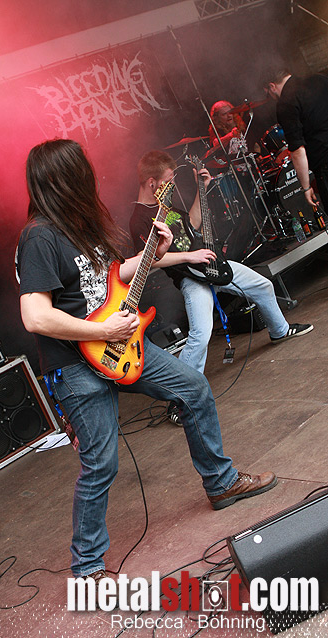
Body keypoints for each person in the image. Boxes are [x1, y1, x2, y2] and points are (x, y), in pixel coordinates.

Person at [17, 138, 277, 581]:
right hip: (77, 364)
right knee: (101, 463)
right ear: (64, 177)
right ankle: (87, 567)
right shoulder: (39, 236)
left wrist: (152, 255)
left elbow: (108, 276)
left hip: (123, 344)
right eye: (83, 170)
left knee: (193, 388)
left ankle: (221, 483)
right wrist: (102, 332)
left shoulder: (81, 225)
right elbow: (35, 316)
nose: (92, 177)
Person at [130, 149, 313, 376]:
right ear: (151, 182)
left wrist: (202, 189)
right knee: (201, 335)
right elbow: (146, 260)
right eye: (168, 180)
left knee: (263, 286)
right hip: (190, 278)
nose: (173, 184)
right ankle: (185, 388)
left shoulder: (165, 204)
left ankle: (280, 331)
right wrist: (189, 256)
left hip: (210, 264)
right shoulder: (139, 219)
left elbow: (192, 225)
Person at [262, 68, 328, 212]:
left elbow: (297, 150)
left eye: (269, 94)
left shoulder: (286, 103)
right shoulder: (318, 78)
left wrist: (306, 187)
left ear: (272, 86)